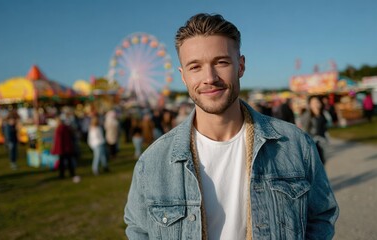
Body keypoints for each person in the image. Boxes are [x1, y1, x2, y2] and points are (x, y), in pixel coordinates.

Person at [124, 13, 338, 239]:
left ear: (241, 66)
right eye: (195, 67)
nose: (210, 77)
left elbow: (321, 215)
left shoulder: (294, 144)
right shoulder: (153, 162)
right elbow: (138, 230)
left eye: (221, 62)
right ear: (183, 76)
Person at [300, 96, 329, 165]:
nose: (316, 104)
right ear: (309, 105)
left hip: (322, 142)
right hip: (312, 143)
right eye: (313, 103)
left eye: (317, 102)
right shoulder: (307, 115)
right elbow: (304, 130)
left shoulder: (323, 114)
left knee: (323, 162)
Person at [51, 117, 80, 183]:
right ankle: (71, 173)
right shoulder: (67, 128)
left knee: (62, 163)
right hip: (68, 148)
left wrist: (57, 149)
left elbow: (58, 141)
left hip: (63, 149)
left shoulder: (59, 129)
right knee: (69, 162)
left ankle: (62, 175)